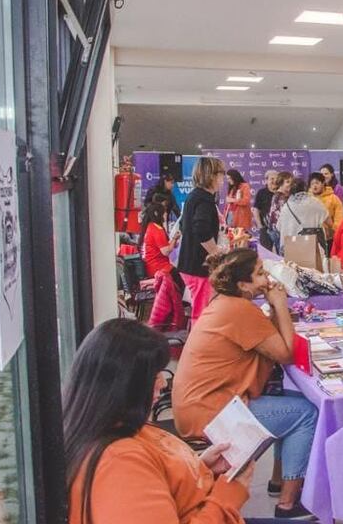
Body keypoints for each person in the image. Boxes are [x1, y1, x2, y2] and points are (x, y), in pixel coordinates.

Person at [173, 249, 319, 520]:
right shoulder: (239, 310)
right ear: (243, 285)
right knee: (306, 413)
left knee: (291, 402)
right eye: (260, 274)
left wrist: (274, 309)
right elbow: (286, 352)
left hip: (200, 405)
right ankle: (288, 505)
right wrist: (280, 304)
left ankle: (278, 481)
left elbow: (273, 339)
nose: (267, 279)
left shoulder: (225, 302)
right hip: (212, 412)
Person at [64, 319, 253, 524]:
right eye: (154, 376)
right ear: (126, 384)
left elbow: (155, 483)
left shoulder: (116, 431)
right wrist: (227, 497)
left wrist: (200, 469)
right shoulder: (120, 464)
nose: (163, 383)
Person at [177, 157, 226, 322]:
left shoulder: (194, 196)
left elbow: (184, 225)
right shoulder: (204, 199)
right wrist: (215, 253)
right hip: (198, 266)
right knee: (202, 313)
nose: (223, 178)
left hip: (190, 264)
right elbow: (201, 229)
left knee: (201, 309)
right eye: (221, 173)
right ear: (211, 175)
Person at [139, 203, 187, 331]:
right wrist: (174, 241)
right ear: (157, 213)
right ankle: (179, 310)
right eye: (164, 212)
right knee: (181, 279)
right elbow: (165, 251)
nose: (166, 214)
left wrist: (174, 240)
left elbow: (166, 247)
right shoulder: (157, 229)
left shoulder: (150, 227)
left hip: (152, 266)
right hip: (159, 268)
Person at [309, 171, 343, 249]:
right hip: (310, 238)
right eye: (312, 184)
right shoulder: (307, 199)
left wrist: (333, 228)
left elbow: (339, 218)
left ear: (323, 183)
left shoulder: (333, 199)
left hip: (329, 238)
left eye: (317, 183)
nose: (314, 186)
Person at [267, 171, 295, 254]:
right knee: (284, 256)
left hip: (276, 230)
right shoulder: (281, 197)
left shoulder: (278, 195)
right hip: (279, 231)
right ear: (281, 183)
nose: (290, 184)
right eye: (287, 182)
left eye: (291, 182)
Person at [255, 170, 278, 250]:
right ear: (266, 180)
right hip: (265, 228)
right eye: (272, 179)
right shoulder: (261, 193)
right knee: (266, 252)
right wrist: (260, 226)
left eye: (276, 179)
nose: (274, 181)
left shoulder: (281, 193)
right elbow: (256, 210)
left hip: (279, 229)